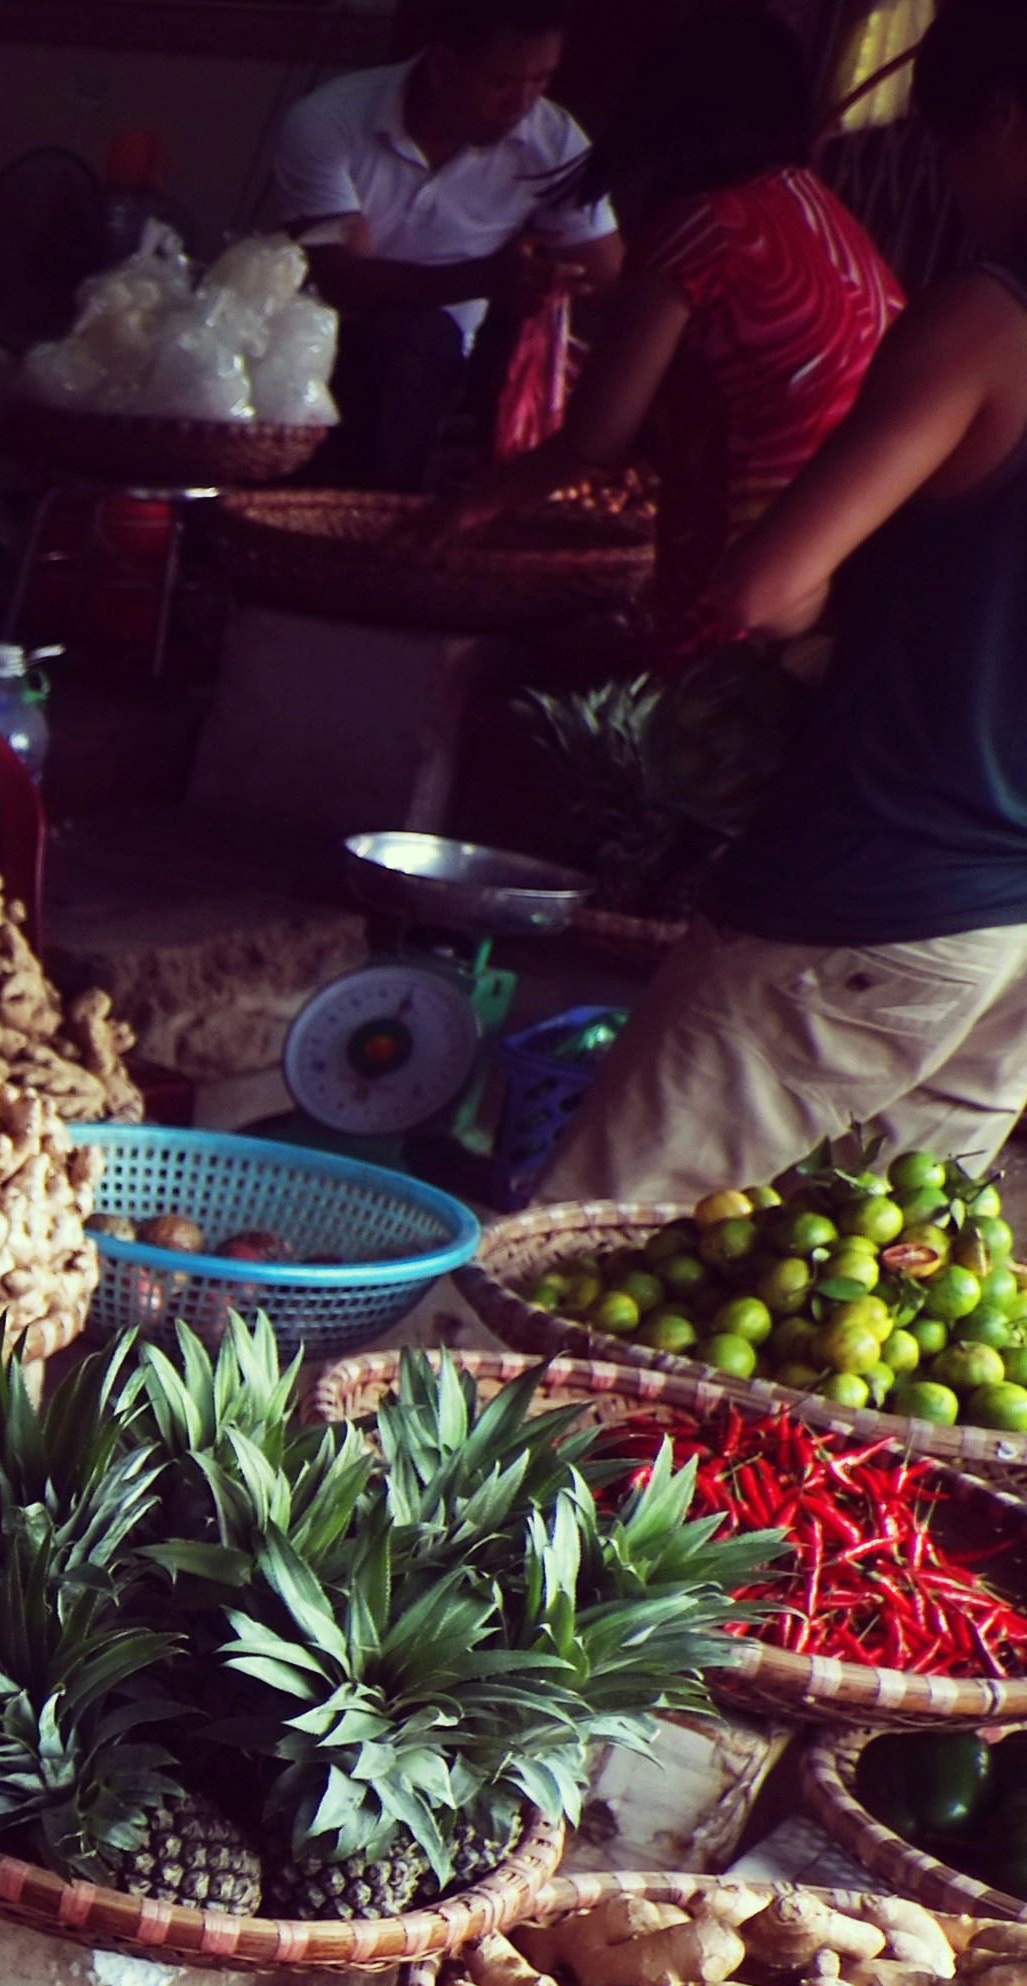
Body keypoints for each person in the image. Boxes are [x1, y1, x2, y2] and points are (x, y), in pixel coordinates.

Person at [538, 0, 1027, 1209]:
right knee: (840, 1306)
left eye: (949, 145)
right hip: (1009, 936)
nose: (951, 181)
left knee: (587, 1266)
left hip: (876, 880)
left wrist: (818, 638)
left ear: (1006, 124)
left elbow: (765, 586)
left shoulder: (990, 317)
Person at [444, 9, 900, 661]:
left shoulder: (703, 226)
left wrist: (470, 511)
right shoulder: (817, 209)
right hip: (838, 581)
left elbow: (593, 442)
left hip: (747, 593)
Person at [267, 0, 623, 490]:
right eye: (500, 82)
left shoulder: (551, 138)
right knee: (396, 338)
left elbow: (606, 278)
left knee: (424, 342)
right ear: (442, 67)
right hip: (319, 342)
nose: (521, 105)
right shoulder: (330, 121)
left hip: (452, 358)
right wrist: (486, 278)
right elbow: (341, 279)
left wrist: (551, 284)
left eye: (540, 80)